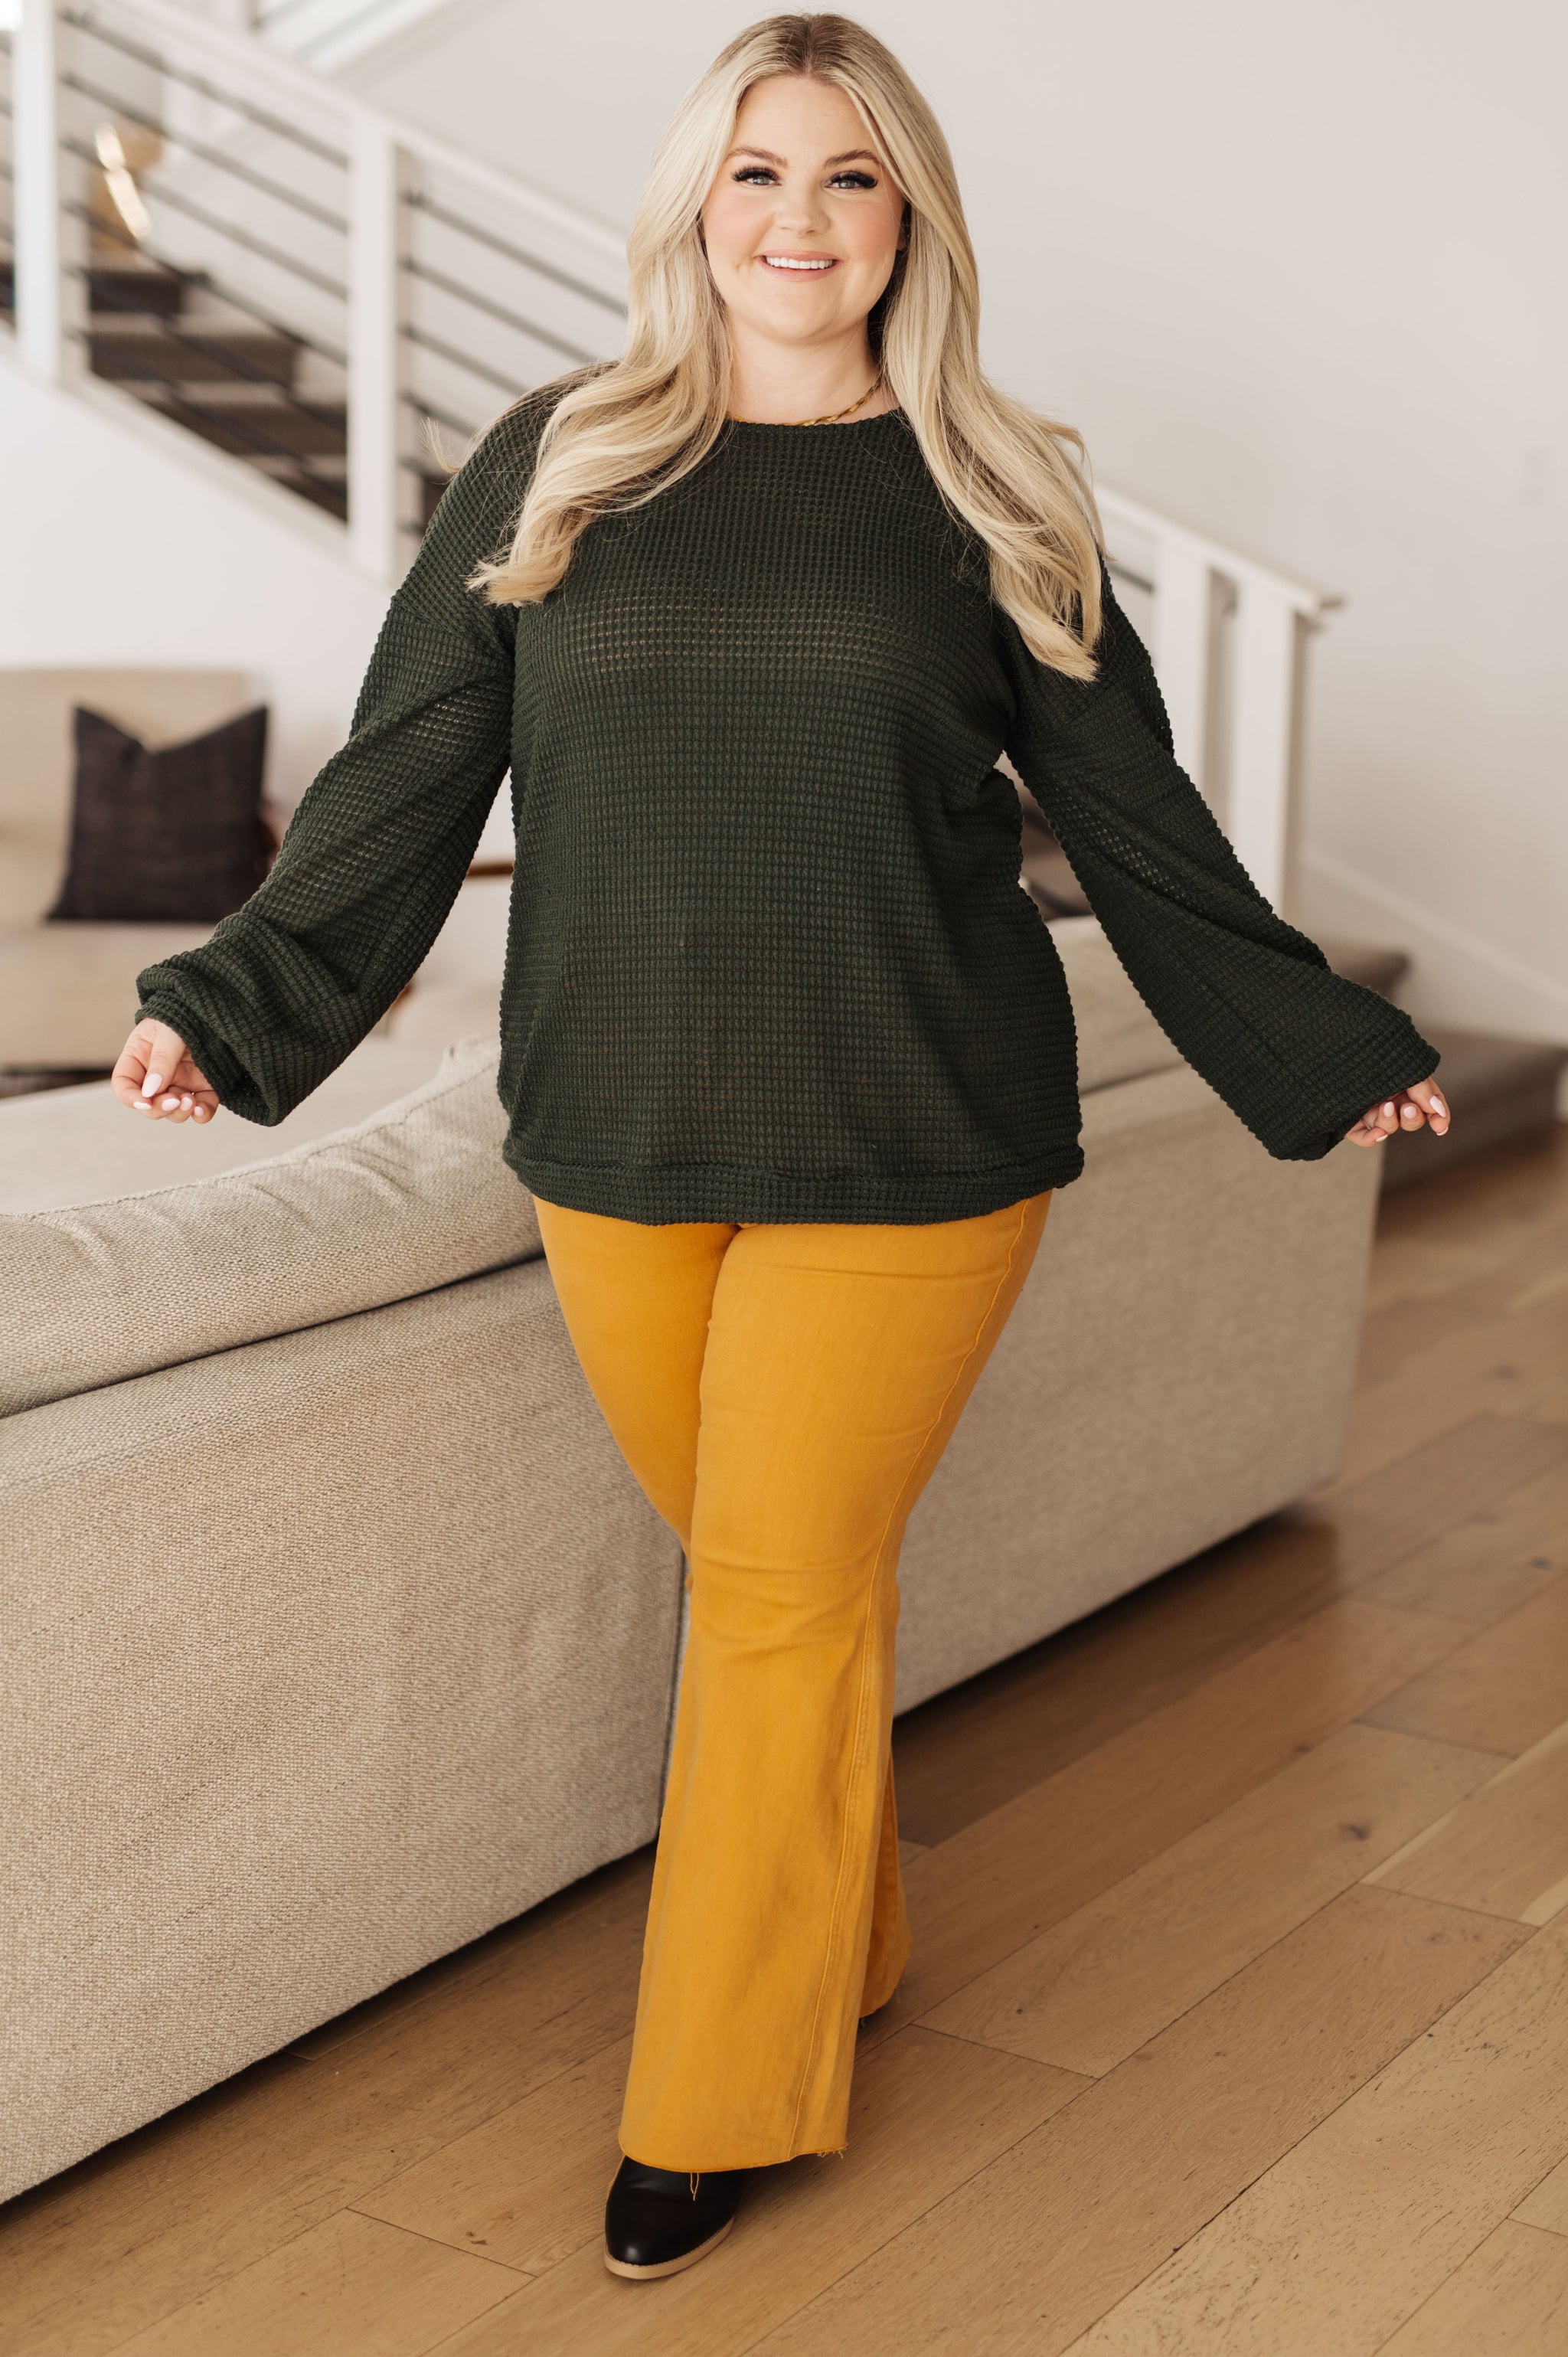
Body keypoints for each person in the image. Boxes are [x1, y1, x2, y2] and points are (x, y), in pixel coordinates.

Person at [113, 12, 1449, 2281]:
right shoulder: (559, 460)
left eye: (847, 176)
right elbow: (410, 768)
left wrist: (1317, 1040)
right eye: (755, 172)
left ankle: (709, 2105)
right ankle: (847, 1925)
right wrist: (229, 1005)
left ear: (908, 217)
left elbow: (1135, 817)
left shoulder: (998, 488)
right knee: (780, 1576)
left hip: (918, 1130)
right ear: (692, 207)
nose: (797, 218)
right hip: (617, 1132)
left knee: (773, 1595)